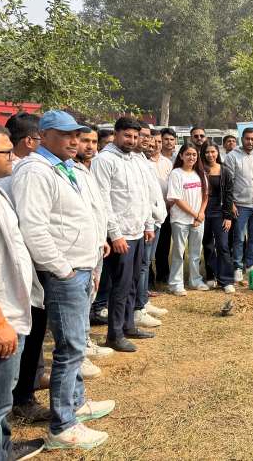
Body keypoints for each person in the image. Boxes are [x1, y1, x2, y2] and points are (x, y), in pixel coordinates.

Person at [12, 110, 115, 450]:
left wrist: (95, 244)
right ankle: (63, 426)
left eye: (77, 135)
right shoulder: (35, 171)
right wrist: (62, 269)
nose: (74, 141)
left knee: (76, 343)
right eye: (65, 134)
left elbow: (81, 214)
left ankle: (76, 403)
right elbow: (34, 228)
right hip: (65, 272)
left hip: (81, 266)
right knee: (69, 348)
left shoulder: (67, 167)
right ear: (43, 135)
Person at [0, 125, 45, 460]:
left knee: (0, 398)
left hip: (9, 313)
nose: (12, 156)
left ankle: (3, 447)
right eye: (4, 152)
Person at [92, 116, 156, 353]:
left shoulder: (136, 159)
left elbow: (144, 196)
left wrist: (148, 225)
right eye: (127, 135)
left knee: (132, 282)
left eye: (135, 136)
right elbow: (103, 200)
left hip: (138, 232)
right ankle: (115, 334)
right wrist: (115, 234)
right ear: (116, 133)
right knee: (119, 286)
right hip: (120, 235)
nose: (131, 140)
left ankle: (129, 325)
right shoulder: (104, 160)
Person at [134, 123, 167, 329]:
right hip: (145, 222)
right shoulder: (132, 160)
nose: (147, 140)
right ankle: (138, 308)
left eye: (149, 137)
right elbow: (142, 196)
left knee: (146, 263)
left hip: (154, 220)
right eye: (143, 136)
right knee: (141, 265)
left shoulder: (142, 159)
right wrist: (152, 216)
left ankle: (143, 302)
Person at [224, 128, 253, 281]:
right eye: (247, 138)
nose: (250, 142)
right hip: (240, 205)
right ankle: (237, 266)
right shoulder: (232, 156)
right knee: (238, 238)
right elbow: (228, 183)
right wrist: (231, 203)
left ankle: (250, 264)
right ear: (242, 139)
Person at [167, 142, 209, 295]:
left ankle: (195, 280)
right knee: (178, 253)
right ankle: (176, 284)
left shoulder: (200, 173)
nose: (191, 157)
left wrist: (201, 214)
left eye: (194, 154)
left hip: (198, 220)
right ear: (181, 156)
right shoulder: (176, 173)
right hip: (180, 220)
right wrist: (195, 214)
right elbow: (177, 198)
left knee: (196, 253)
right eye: (188, 154)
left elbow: (205, 195)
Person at [201, 143, 235, 293]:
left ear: (217, 153)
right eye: (207, 152)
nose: (210, 155)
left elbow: (228, 194)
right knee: (208, 245)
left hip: (219, 213)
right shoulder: (199, 169)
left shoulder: (225, 170)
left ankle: (226, 280)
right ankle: (211, 275)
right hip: (202, 212)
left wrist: (228, 216)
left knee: (223, 246)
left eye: (213, 151)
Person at [150, 129, 173, 285]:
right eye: (155, 141)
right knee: (149, 246)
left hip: (167, 209)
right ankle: (149, 278)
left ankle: (163, 274)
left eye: (159, 141)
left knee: (164, 244)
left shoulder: (167, 162)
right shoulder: (144, 162)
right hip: (150, 211)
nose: (157, 145)